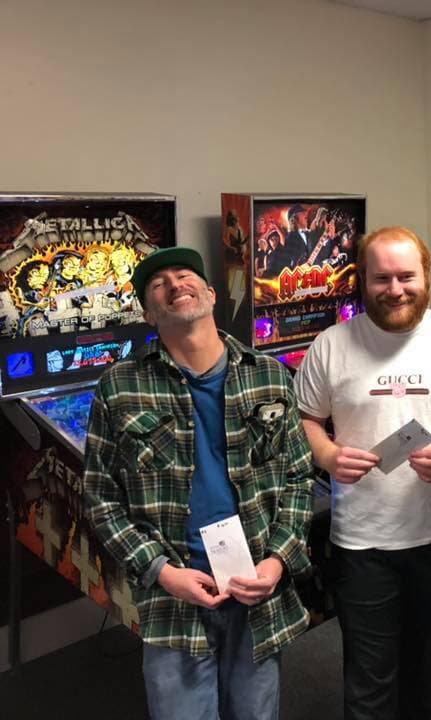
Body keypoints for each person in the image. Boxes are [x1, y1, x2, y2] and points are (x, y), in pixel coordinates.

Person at [84, 247, 315, 720]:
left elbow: (297, 477)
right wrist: (162, 572)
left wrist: (277, 561)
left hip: (256, 587)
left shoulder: (269, 375)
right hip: (175, 595)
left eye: (184, 274)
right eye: (158, 284)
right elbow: (101, 498)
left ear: (210, 292)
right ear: (149, 313)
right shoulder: (119, 386)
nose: (174, 285)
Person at [293, 226, 431, 720]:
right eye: (381, 278)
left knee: (420, 672)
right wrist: (326, 454)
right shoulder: (331, 344)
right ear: (363, 281)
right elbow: (304, 419)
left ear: (425, 276)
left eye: (406, 276)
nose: (395, 289)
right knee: (368, 681)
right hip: (362, 544)